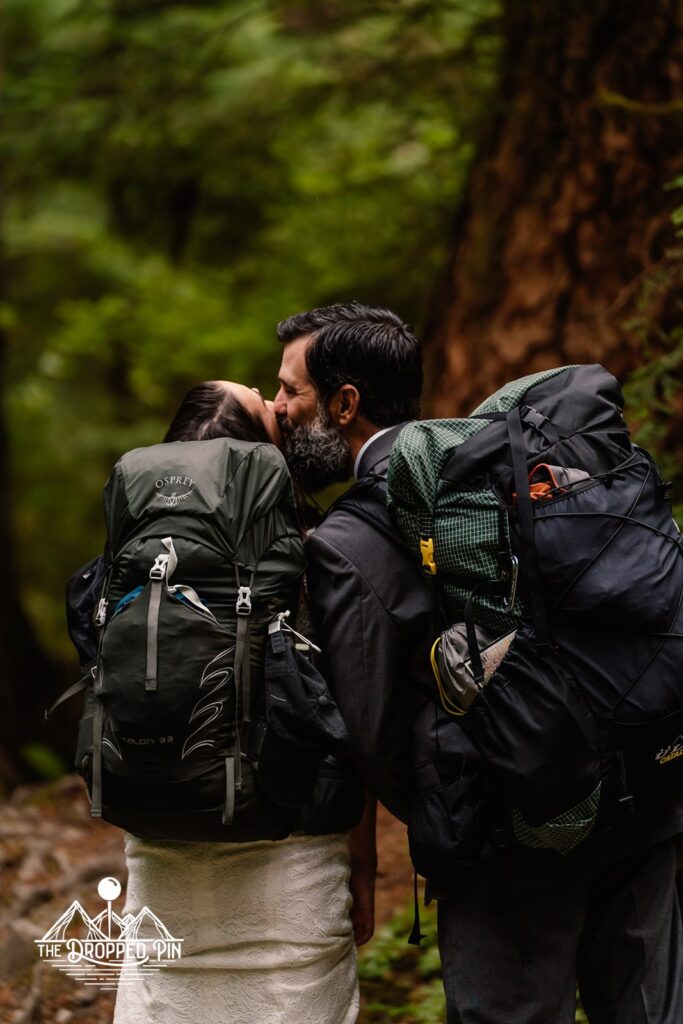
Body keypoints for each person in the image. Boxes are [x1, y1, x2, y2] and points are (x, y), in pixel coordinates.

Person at [273, 301, 683, 1024]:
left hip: (507, 839)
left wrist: (453, 801)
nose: (276, 408)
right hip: (641, 792)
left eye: (289, 391)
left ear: (344, 404)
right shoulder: (490, 470)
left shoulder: (347, 540)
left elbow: (368, 734)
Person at [70, 380, 362, 1024]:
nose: (270, 392)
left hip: (158, 864)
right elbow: (343, 725)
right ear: (264, 461)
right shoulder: (314, 558)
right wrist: (361, 868)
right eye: (263, 402)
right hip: (291, 872)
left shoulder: (120, 567)